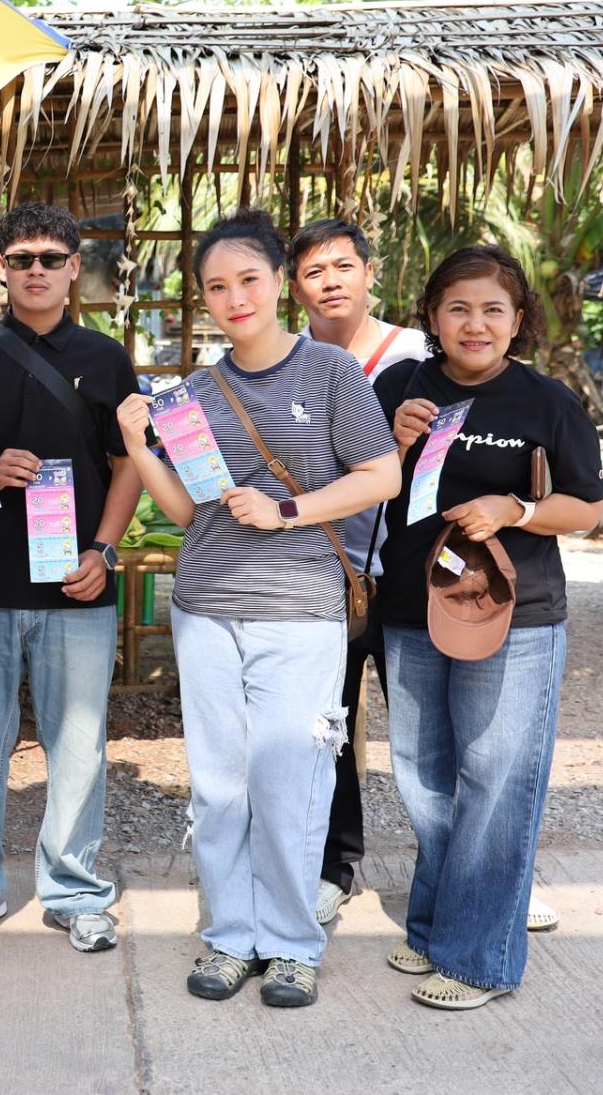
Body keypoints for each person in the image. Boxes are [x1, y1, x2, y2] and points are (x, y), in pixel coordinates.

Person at [116, 210, 399, 1010]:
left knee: (291, 780)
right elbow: (186, 510)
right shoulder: (194, 394)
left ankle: (292, 944)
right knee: (218, 786)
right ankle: (229, 935)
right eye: (216, 287)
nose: (234, 298)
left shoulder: (332, 371)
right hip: (206, 606)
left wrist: (287, 511)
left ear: (279, 280)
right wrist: (137, 445)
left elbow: (381, 476)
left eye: (248, 279)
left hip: (301, 609)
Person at [375, 244, 603, 1011]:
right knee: (424, 778)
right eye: (459, 309)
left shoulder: (547, 402)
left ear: (517, 320)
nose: (475, 324)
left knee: (495, 781)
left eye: (492, 310)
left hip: (513, 615)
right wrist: (393, 442)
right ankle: (435, 928)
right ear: (432, 317)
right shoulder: (399, 387)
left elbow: (589, 507)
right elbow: (356, 483)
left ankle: (479, 959)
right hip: (411, 608)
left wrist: (517, 508)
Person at [0, 202, 141, 953]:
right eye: (22, 258)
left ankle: (75, 890)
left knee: (80, 746)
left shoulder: (107, 357)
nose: (37, 271)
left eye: (51, 259)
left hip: (76, 584)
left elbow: (128, 466)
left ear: (74, 268)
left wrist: (104, 551)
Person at [287, 218, 429, 925]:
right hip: (322, 574)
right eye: (314, 271)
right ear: (294, 288)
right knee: (327, 727)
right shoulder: (286, 361)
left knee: (429, 731)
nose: (331, 282)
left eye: (344, 266)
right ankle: (333, 865)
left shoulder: (421, 354)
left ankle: (472, 872)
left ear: (371, 273)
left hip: (414, 576)